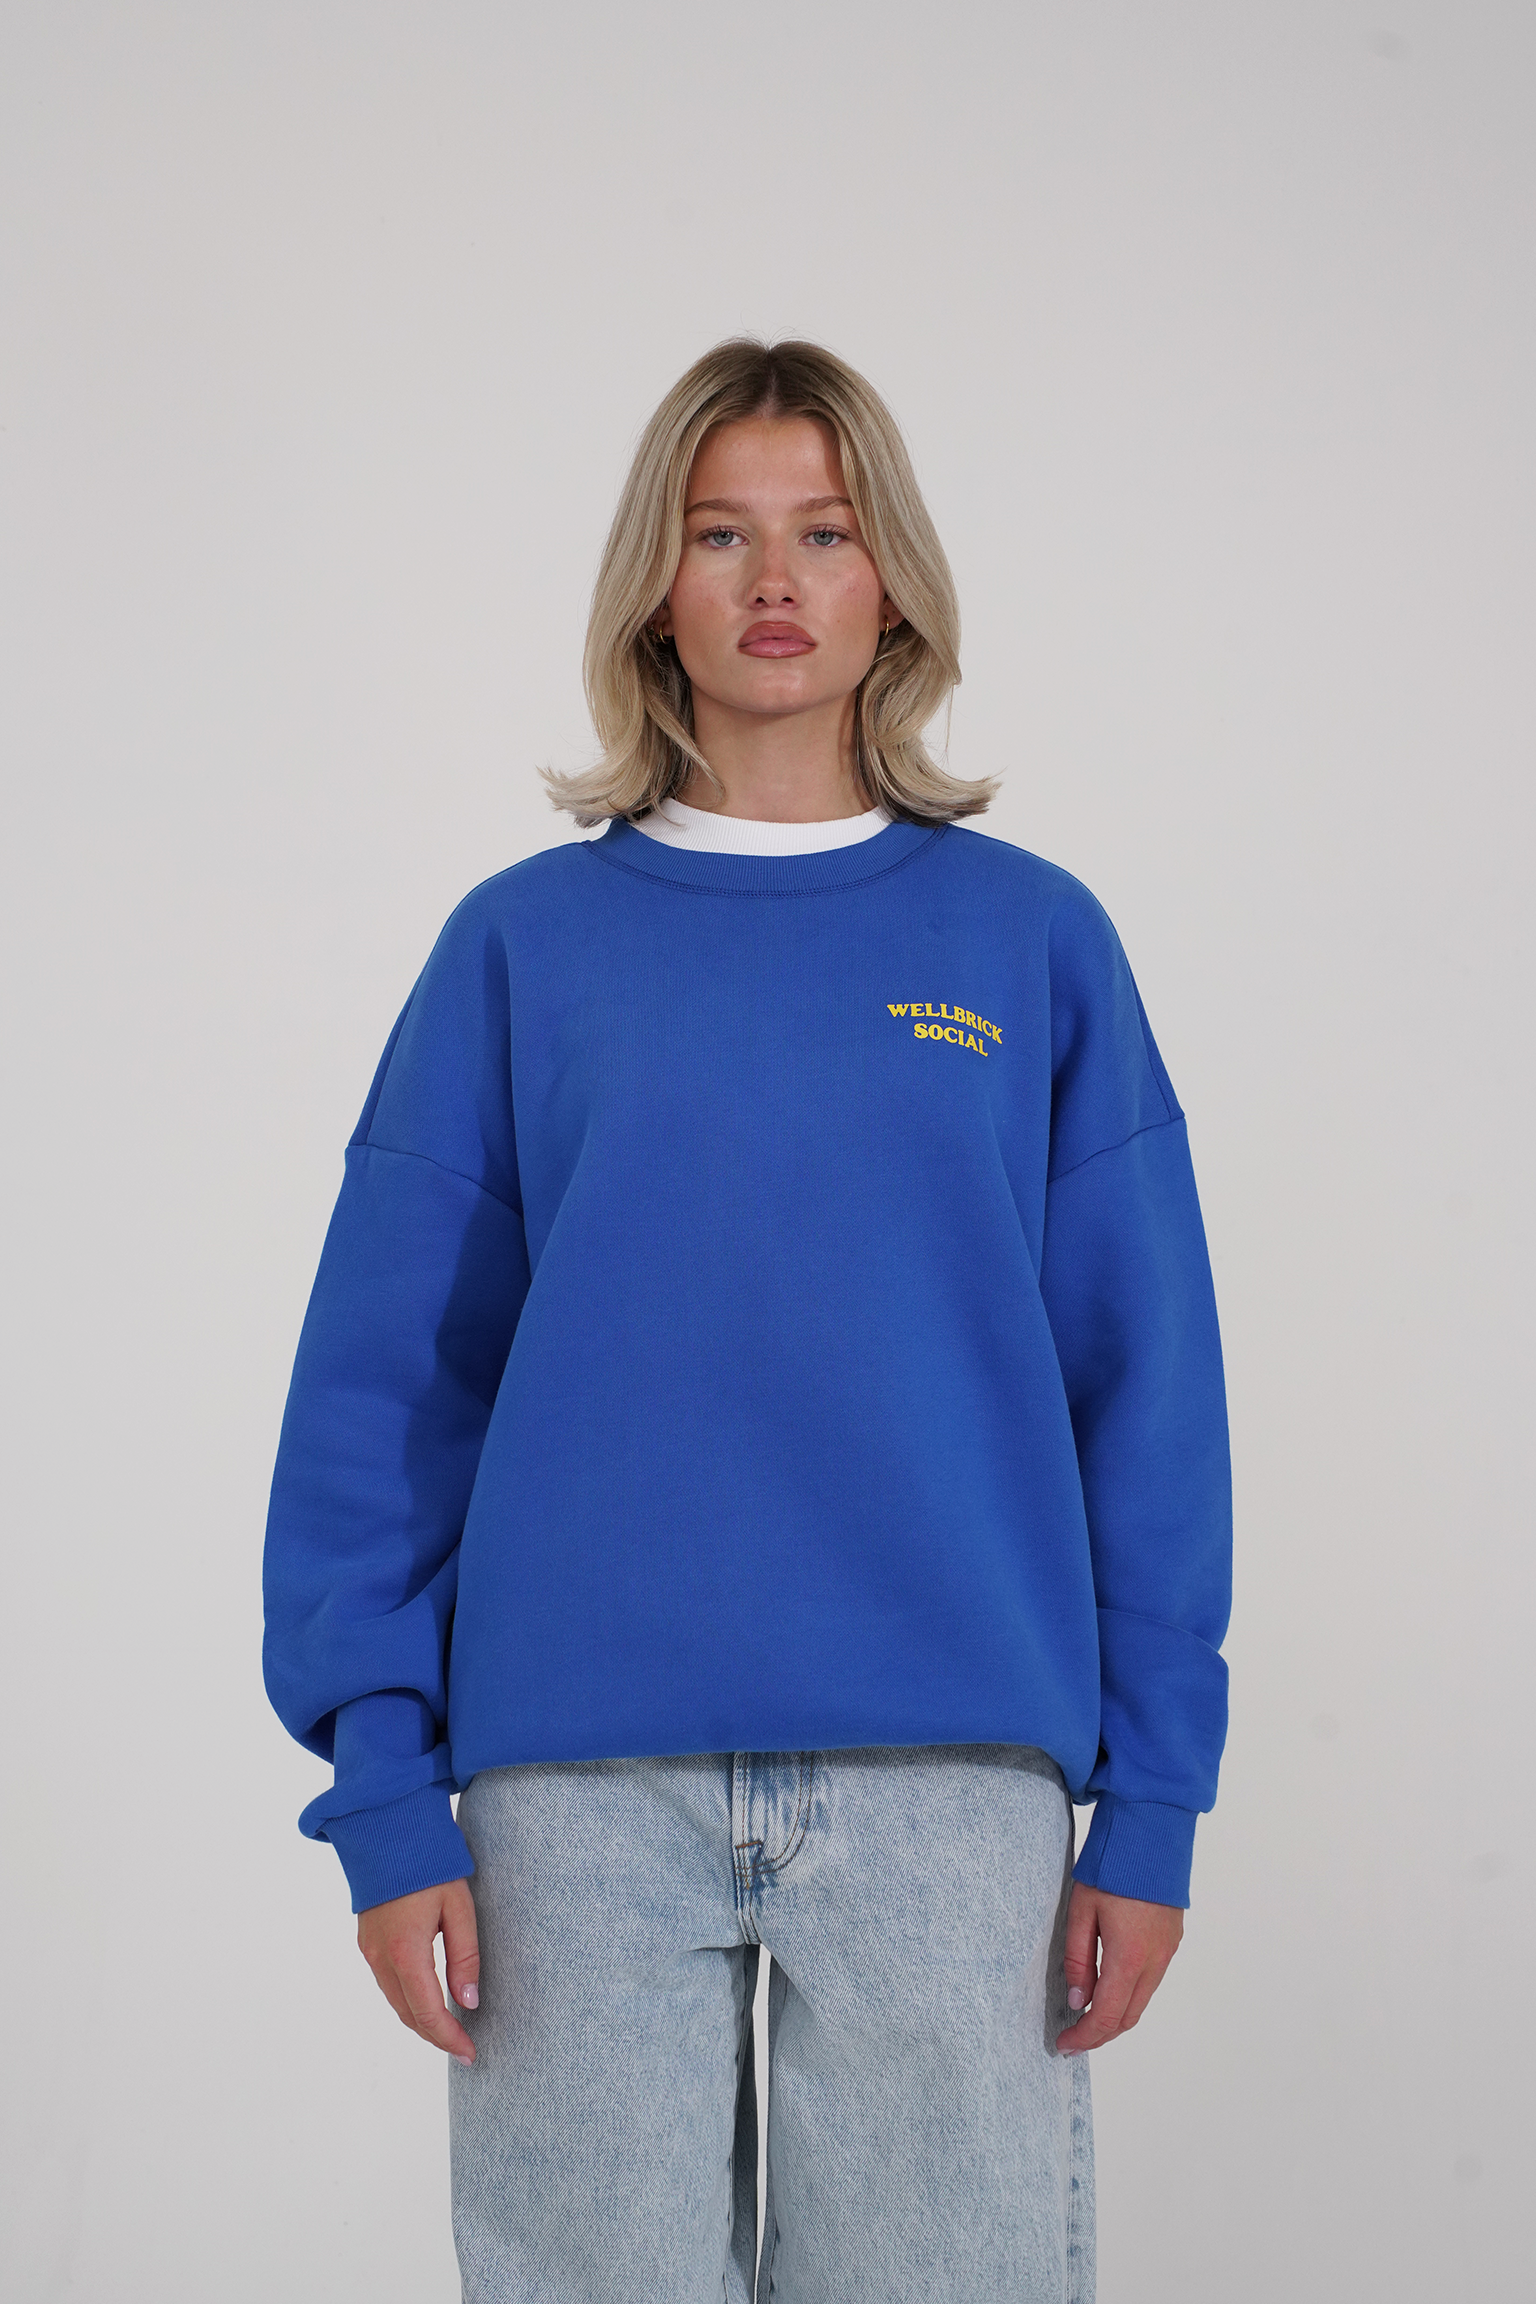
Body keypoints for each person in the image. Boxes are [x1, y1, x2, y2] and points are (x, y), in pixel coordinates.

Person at [262, 337, 1231, 2304]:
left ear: (894, 586)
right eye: (719, 533)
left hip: (955, 1793)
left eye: (824, 532)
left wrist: (1153, 1803)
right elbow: (385, 1390)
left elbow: (1145, 1394)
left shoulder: (1030, 942)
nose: (773, 579)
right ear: (656, 585)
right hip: (569, 1806)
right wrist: (382, 1792)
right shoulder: (522, 947)